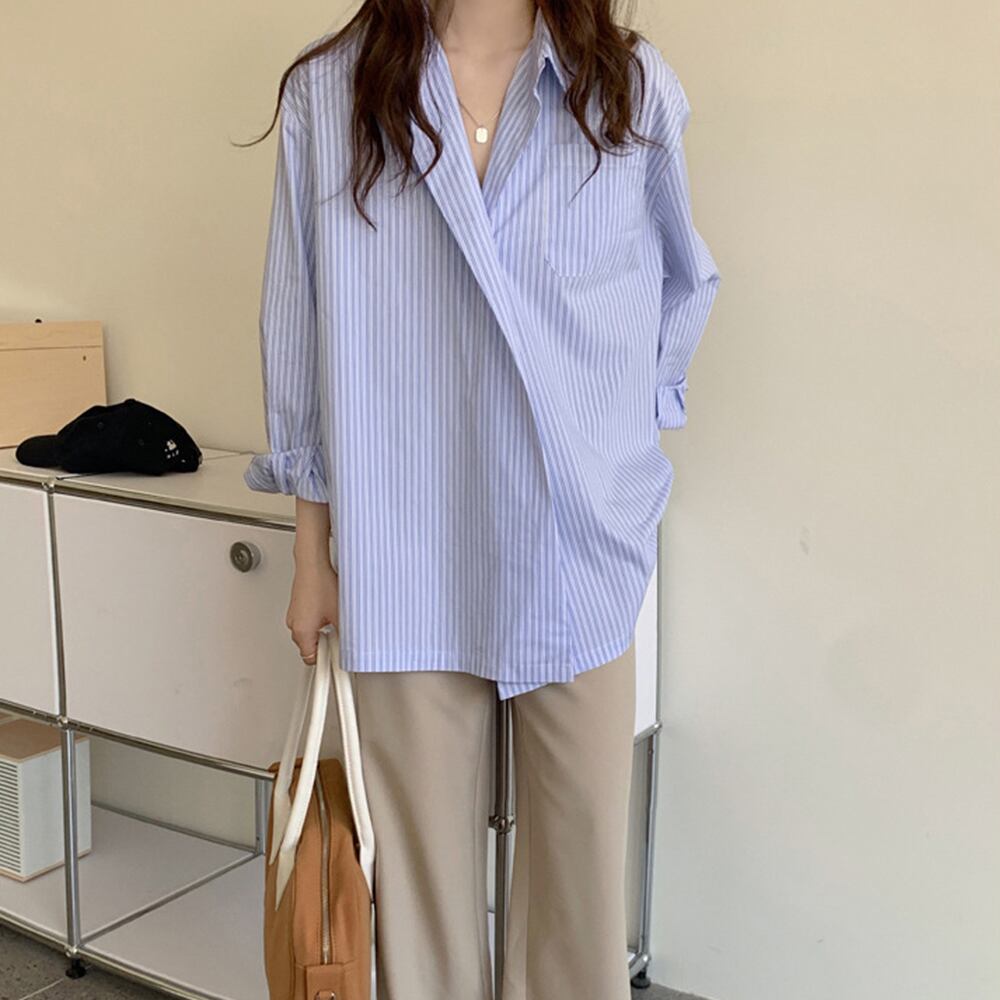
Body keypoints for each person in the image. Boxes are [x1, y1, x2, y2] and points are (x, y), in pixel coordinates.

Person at [242, 0, 720, 997]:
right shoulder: (332, 96)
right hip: (404, 537)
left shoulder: (627, 90)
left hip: (574, 546)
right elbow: (300, 332)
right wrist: (309, 553)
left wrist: (611, 446)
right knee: (420, 913)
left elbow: (683, 284)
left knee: (580, 905)